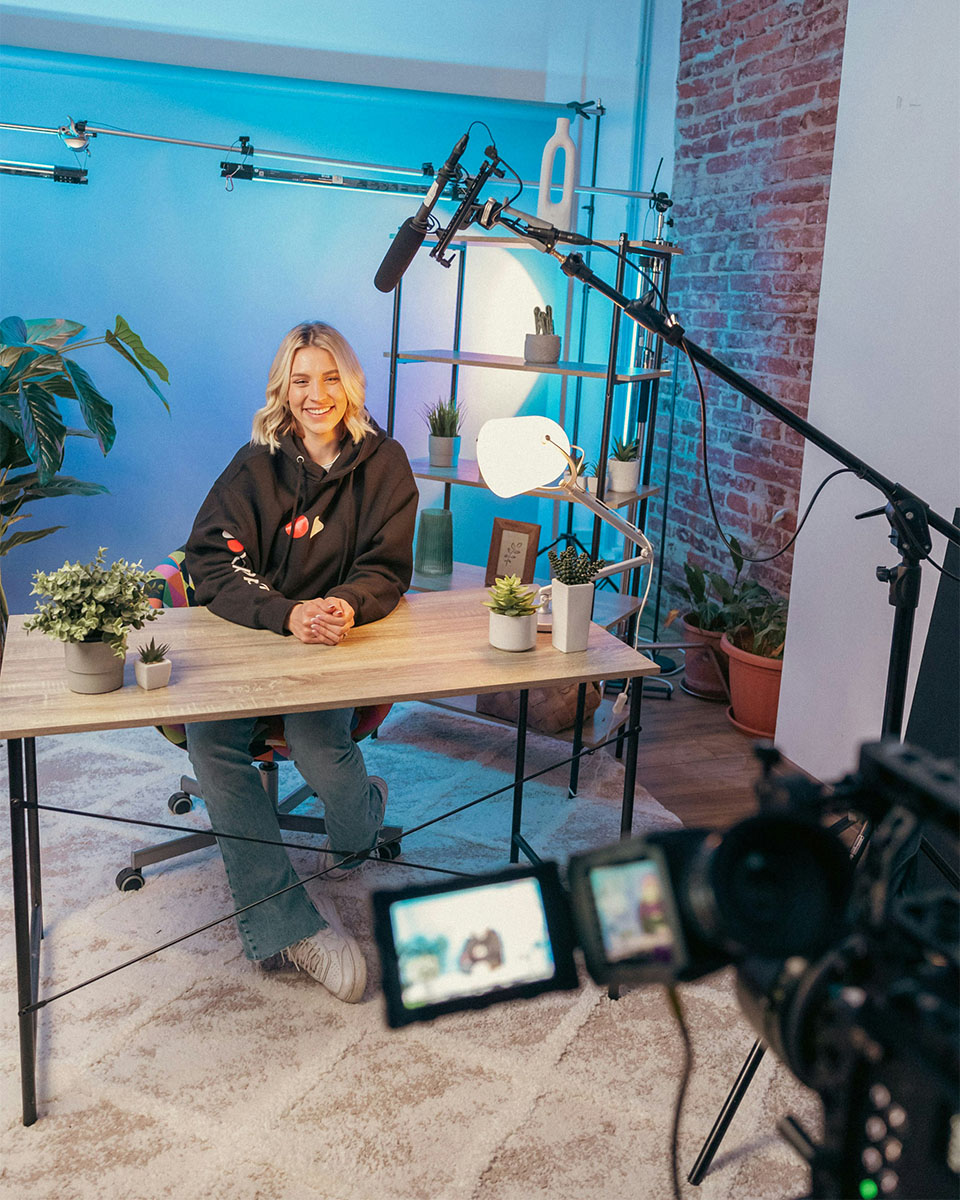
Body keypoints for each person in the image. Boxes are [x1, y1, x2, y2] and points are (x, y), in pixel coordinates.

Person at [183, 321, 418, 1003]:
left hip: (331, 648)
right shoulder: (255, 462)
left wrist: (345, 604)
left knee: (321, 748)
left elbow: (387, 566)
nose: (316, 394)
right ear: (284, 390)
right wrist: (285, 613)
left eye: (329, 377)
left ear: (351, 383)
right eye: (301, 380)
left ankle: (360, 820)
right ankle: (291, 926)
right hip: (254, 635)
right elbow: (209, 559)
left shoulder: (386, 463)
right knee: (211, 738)